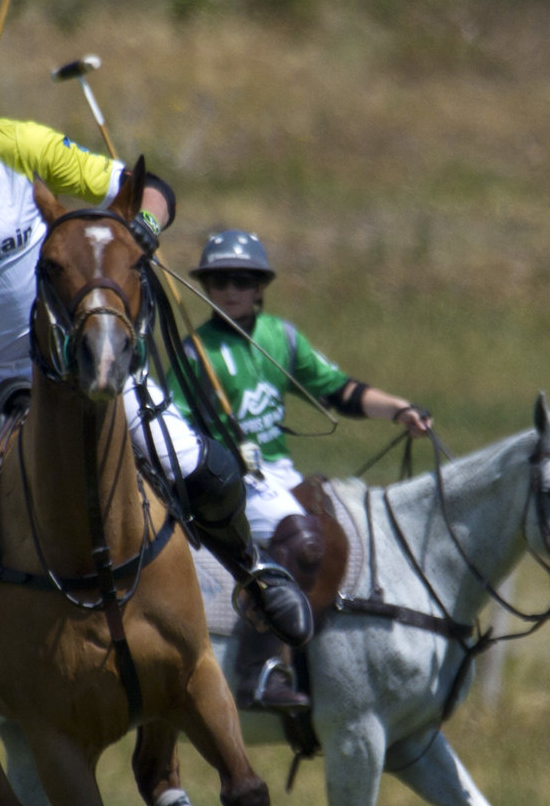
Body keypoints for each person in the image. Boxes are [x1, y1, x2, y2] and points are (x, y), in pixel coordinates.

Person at [0, 46, 313, 746]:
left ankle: (253, 574)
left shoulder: (13, 145)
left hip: (62, 359)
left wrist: (143, 227)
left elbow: (143, 189)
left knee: (205, 466)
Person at [164, 228, 432, 714]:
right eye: (220, 280)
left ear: (260, 286)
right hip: (233, 478)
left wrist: (398, 410)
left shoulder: (280, 339)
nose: (231, 290)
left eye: (242, 280)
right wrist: (215, 454)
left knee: (347, 532)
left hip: (278, 473)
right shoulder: (194, 352)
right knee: (305, 541)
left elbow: (336, 390)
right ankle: (257, 673)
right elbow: (172, 425)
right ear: (206, 285)